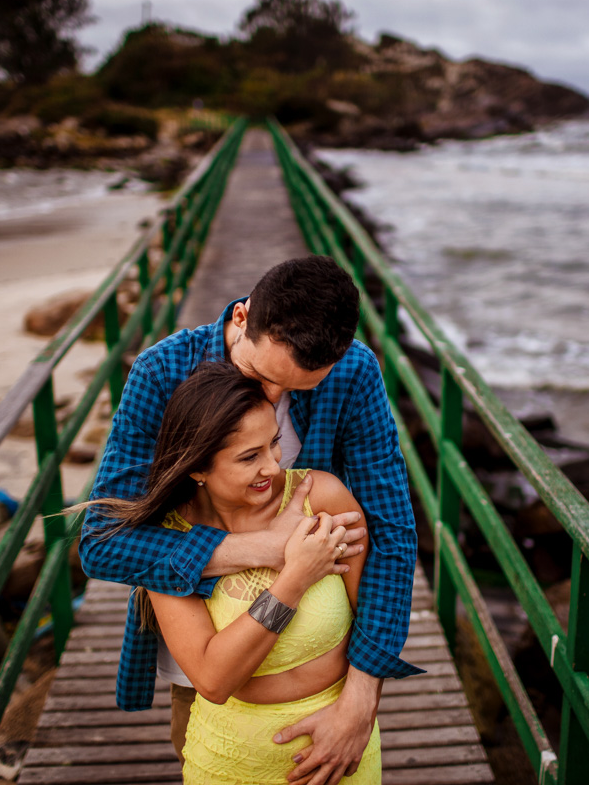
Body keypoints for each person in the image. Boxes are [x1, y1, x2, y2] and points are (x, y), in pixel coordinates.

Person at [80, 256, 422, 784]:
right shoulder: (161, 371)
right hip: (206, 644)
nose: (272, 400)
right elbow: (103, 541)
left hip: (326, 651)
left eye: (298, 390)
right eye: (260, 376)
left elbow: (392, 535)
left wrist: (362, 696)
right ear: (241, 317)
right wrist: (268, 550)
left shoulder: (354, 371)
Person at [82, 362, 380, 783]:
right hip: (232, 759)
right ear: (197, 468)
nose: (273, 467)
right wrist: (293, 579)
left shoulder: (323, 496)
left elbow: (375, 612)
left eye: (274, 443)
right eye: (249, 457)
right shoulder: (170, 544)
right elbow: (213, 679)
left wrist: (359, 713)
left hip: (343, 748)